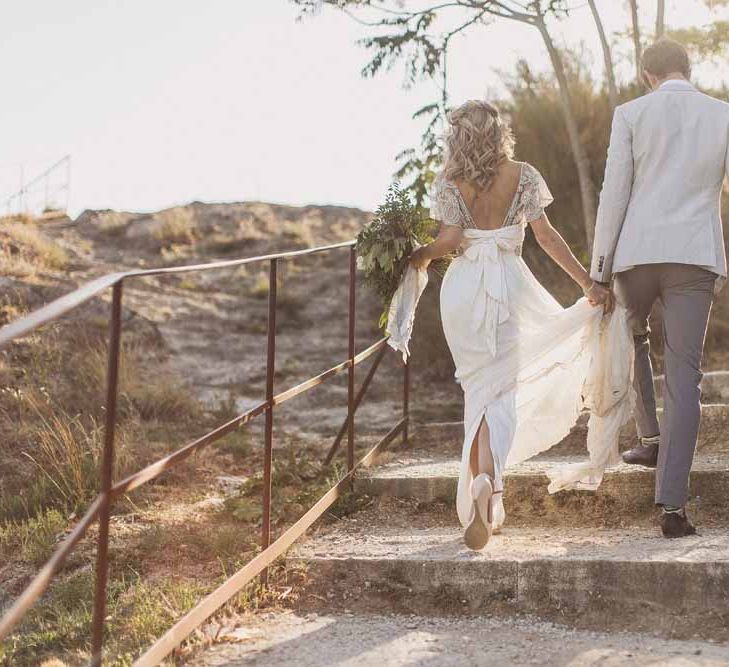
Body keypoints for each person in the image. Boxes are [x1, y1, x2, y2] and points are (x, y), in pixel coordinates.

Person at [410, 100, 615, 550]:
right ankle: (488, 485)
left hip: (463, 293)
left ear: (457, 136)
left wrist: (415, 257)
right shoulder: (523, 175)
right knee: (500, 391)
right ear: (498, 132)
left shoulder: (449, 182)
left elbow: (447, 242)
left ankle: (484, 488)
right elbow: (545, 236)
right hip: (509, 290)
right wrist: (587, 283)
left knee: (479, 390)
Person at [590, 38, 729, 538]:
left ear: (647, 74)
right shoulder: (722, 115)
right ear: (687, 69)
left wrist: (599, 271)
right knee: (685, 376)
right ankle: (673, 508)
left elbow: (614, 194)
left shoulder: (630, 114)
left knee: (632, 339)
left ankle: (650, 435)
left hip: (636, 255)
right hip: (694, 256)